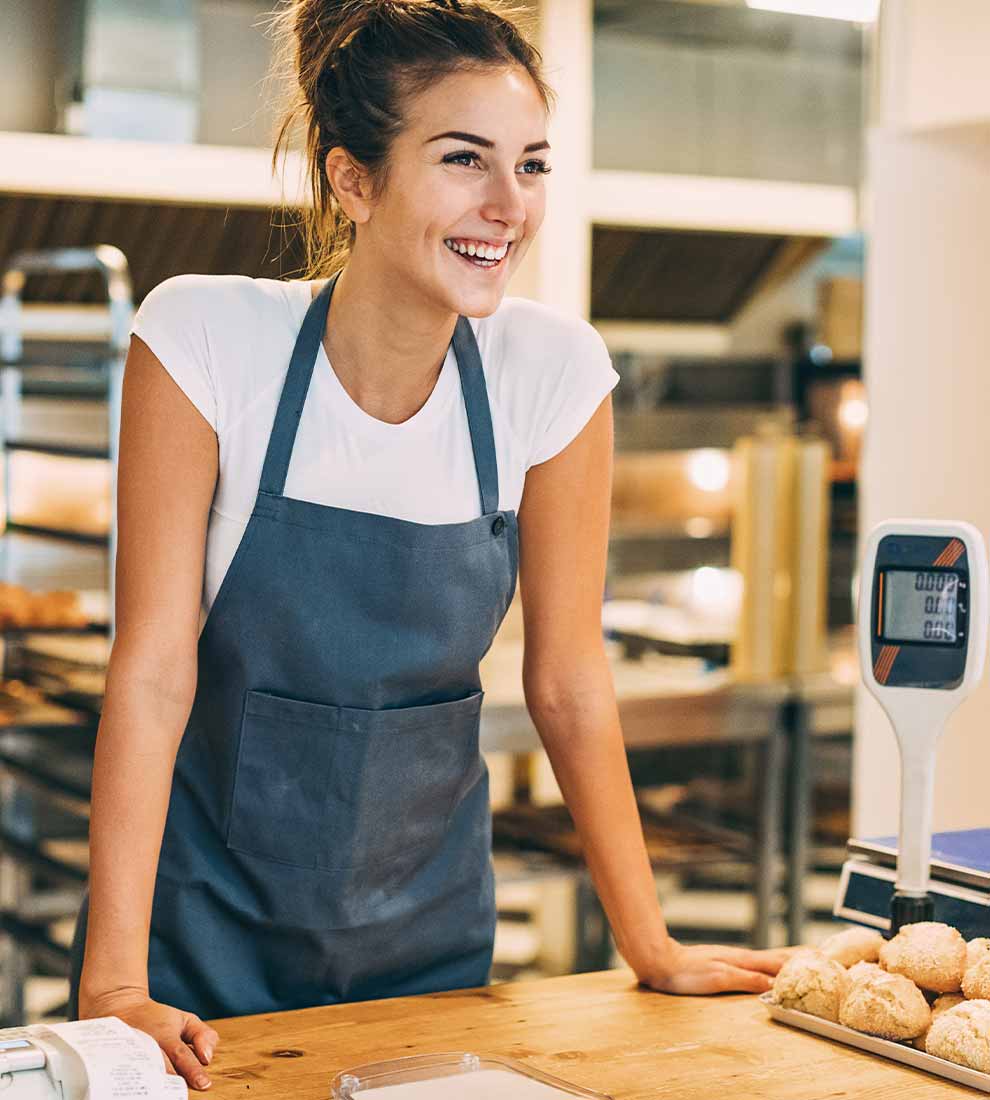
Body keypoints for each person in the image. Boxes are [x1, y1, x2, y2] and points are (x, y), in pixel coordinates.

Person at [69, 0, 789, 1090]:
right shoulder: (205, 340)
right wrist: (114, 982)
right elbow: (155, 668)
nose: (509, 205)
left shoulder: (551, 374)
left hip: (429, 946)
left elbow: (568, 679)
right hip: (199, 943)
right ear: (353, 178)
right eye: (465, 160)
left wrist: (652, 941)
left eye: (533, 165)